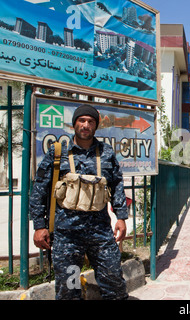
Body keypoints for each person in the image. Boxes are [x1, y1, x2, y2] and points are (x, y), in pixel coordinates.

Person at [30, 104, 129, 300]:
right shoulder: (58, 153)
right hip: (67, 235)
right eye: (82, 121)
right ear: (74, 124)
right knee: (69, 289)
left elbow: (117, 184)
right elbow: (39, 190)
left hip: (100, 232)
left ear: (96, 126)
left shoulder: (107, 153)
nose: (86, 125)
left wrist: (121, 217)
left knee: (114, 284)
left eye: (90, 121)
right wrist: (39, 226)